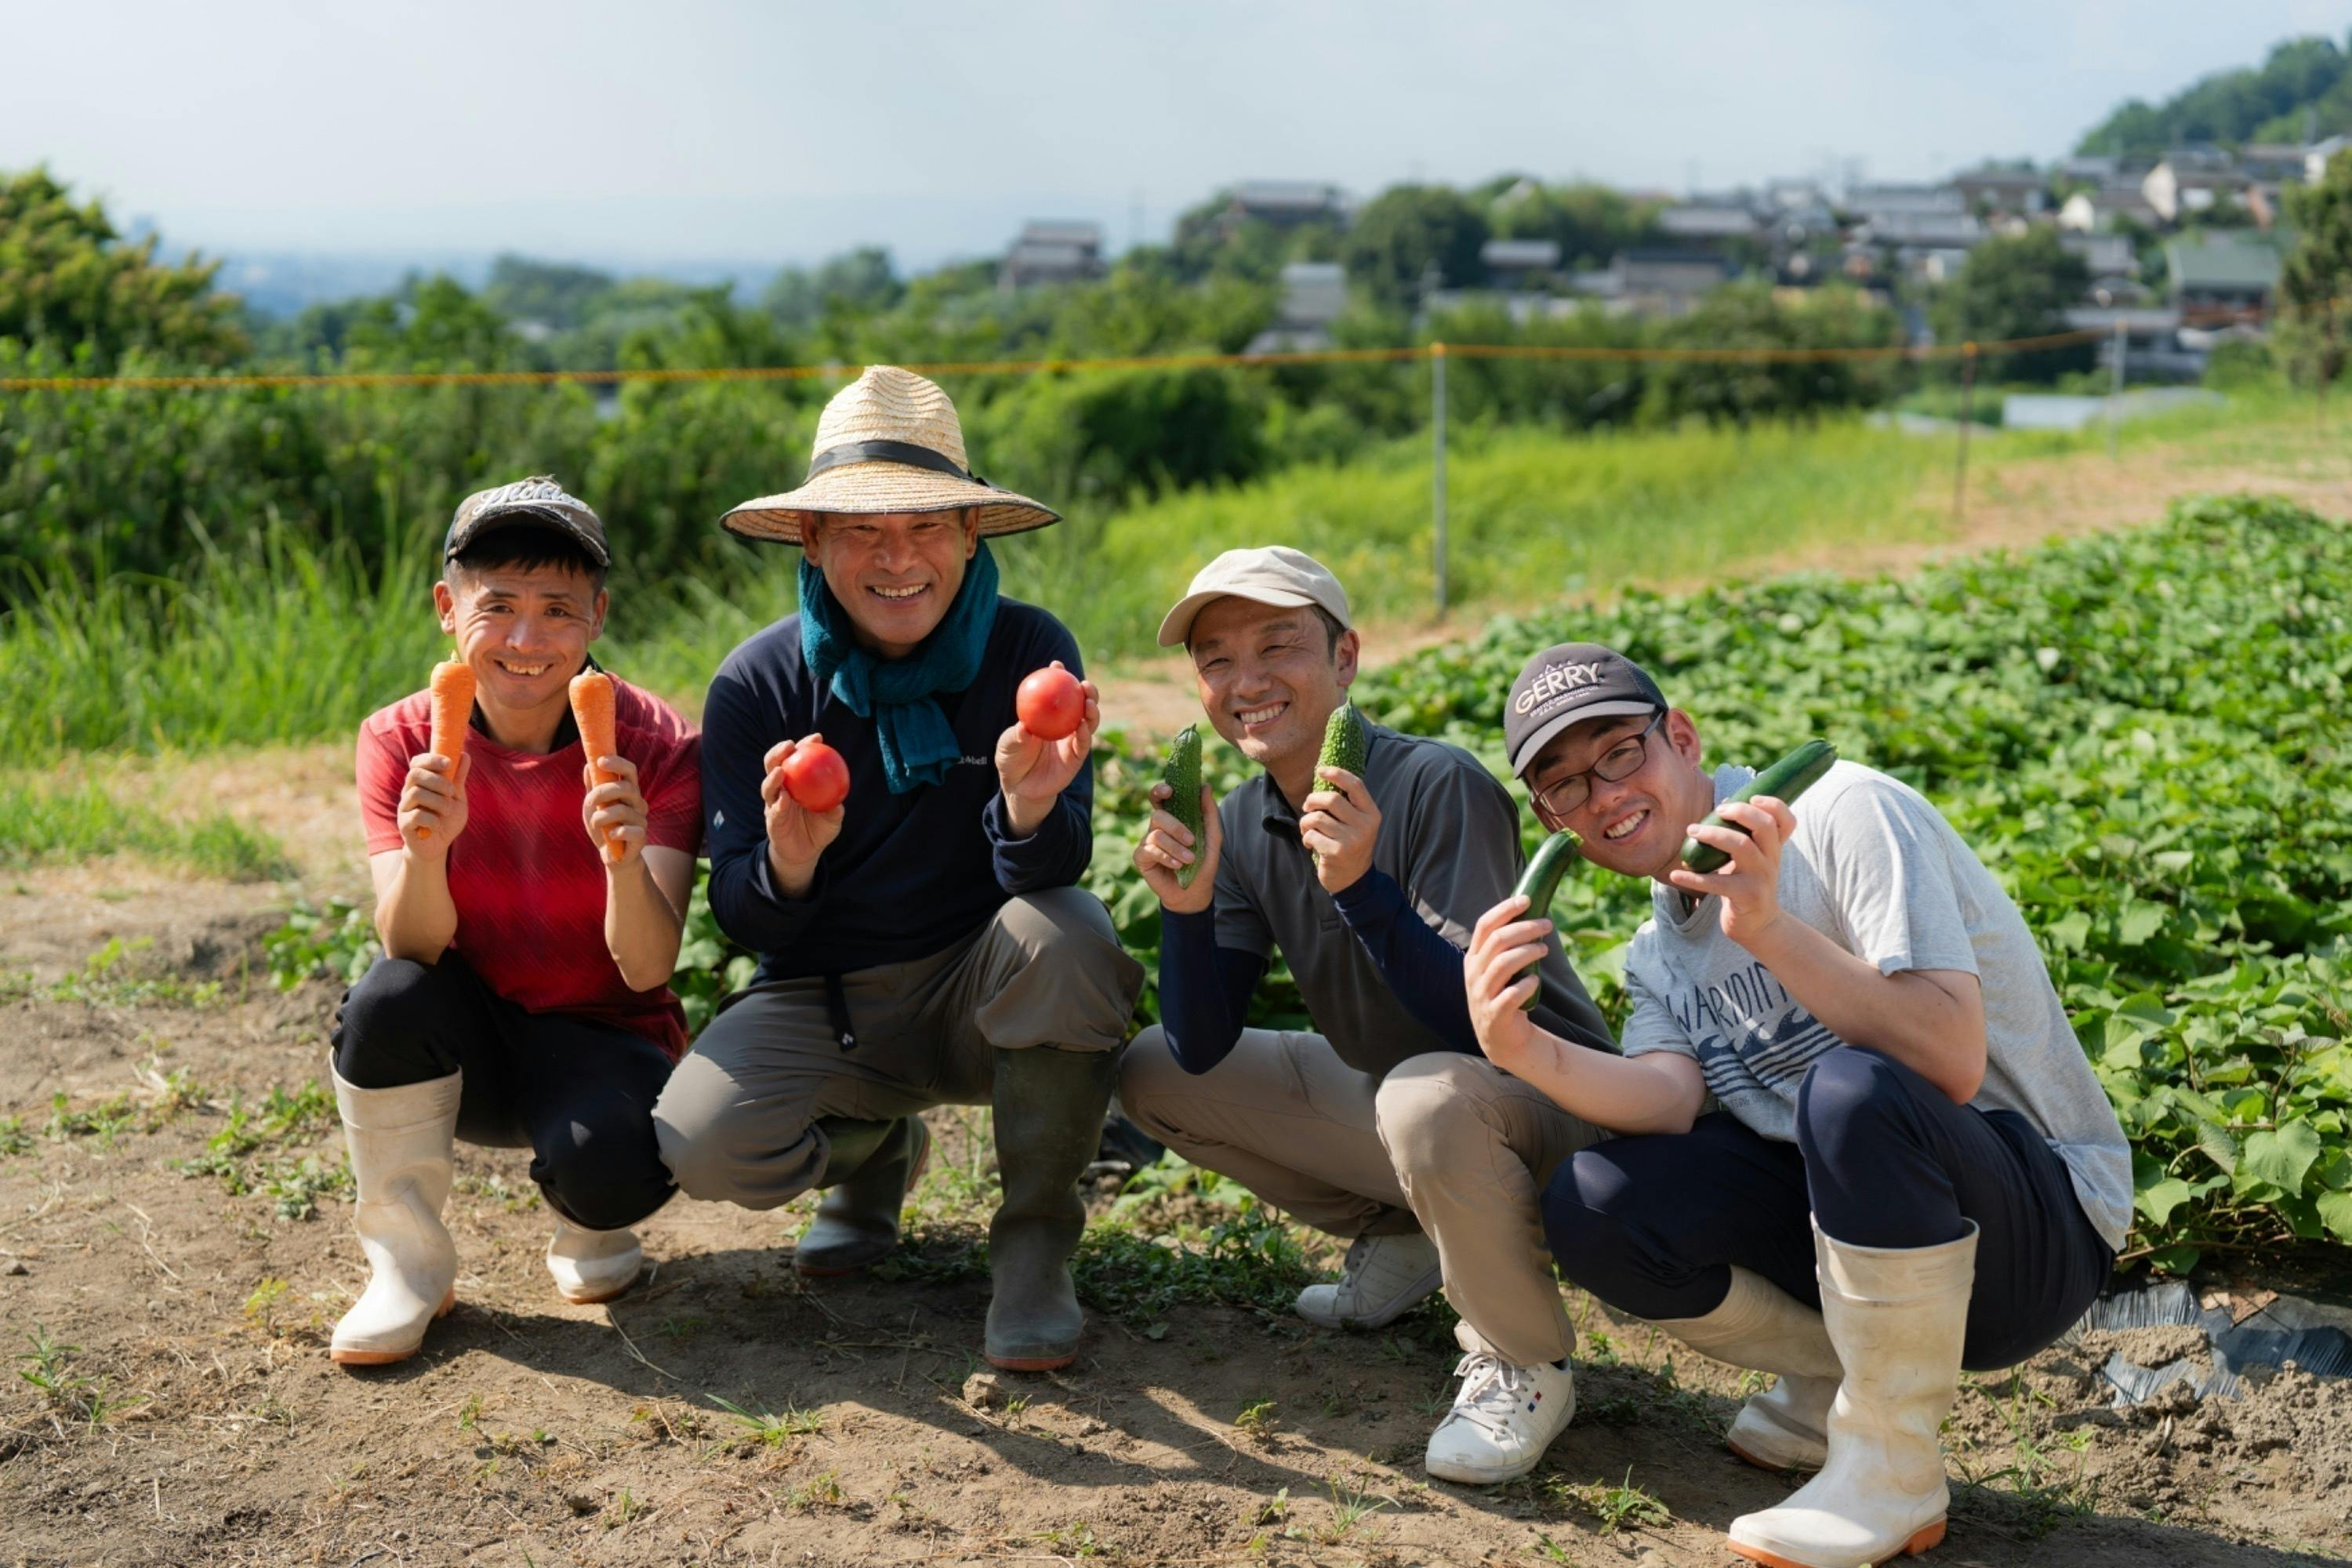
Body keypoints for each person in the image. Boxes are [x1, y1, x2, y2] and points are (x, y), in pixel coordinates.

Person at [1461, 642, 2130, 1568]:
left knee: (1850, 1087)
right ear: (1552, 819)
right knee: (1597, 1199)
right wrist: (1518, 1047)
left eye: (1620, 752)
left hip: (2036, 1223)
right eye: (1564, 785)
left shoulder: (1843, 813)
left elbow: (1947, 1057)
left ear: (1682, 738)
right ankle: (1839, 1382)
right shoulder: (1658, 947)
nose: (1604, 794)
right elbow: (1662, 1099)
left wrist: (1770, 931)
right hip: (1864, 1223)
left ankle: (1892, 1467)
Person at [653, 366, 1142, 1374]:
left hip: (982, 988)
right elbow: (745, 917)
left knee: (1075, 936)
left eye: (926, 527)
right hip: (832, 1000)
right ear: (815, 541)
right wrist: (789, 865)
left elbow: (1054, 870)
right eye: (864, 531)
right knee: (698, 1139)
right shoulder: (758, 682)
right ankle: (872, 1153)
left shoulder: (1030, 650)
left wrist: (1029, 803)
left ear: (971, 534)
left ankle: (1037, 1246)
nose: (898, 559)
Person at [1120, 547, 1617, 1486]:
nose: (1247, 679)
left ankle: (1524, 1357)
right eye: (1217, 658)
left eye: (1280, 645)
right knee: (1148, 1067)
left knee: (1429, 1095)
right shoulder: (1242, 816)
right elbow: (1200, 1044)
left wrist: (1360, 889)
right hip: (1413, 1106)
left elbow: (1481, 1025)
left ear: (1345, 658)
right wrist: (1184, 912)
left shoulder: (1437, 783)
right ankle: (1404, 1234)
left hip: (1562, 1113)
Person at [332, 477, 702, 1367]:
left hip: (602, 1028)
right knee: (386, 1000)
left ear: (599, 615)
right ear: (446, 610)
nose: (528, 640)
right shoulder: (402, 739)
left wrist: (622, 854)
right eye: (497, 606)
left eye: (558, 610)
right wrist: (429, 850)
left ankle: (589, 1224)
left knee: (612, 1167)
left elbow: (648, 967)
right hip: (473, 1037)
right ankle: (407, 1262)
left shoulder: (657, 744)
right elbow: (413, 948)